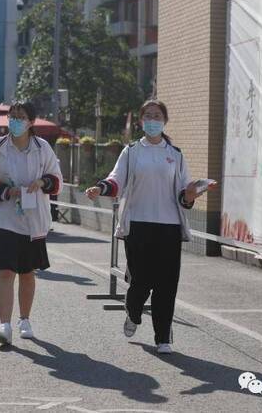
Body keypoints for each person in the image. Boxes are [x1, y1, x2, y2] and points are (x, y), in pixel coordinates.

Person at [85, 99, 212, 355]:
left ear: (165, 121)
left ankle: (163, 337)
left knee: (166, 284)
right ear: (142, 121)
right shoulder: (131, 152)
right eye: (148, 116)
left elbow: (183, 192)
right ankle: (133, 312)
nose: (153, 120)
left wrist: (190, 194)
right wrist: (101, 188)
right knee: (141, 282)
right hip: (138, 225)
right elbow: (116, 180)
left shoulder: (175, 154)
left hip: (169, 226)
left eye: (157, 116)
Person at [0, 101, 62, 345]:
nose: (15, 120)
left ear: (31, 122)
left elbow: (56, 179)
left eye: (21, 116)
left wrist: (43, 183)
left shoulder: (42, 147)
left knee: (27, 272)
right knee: (5, 271)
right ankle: (4, 324)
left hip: (33, 219)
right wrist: (7, 191)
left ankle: (24, 319)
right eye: (12, 116)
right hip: (5, 218)